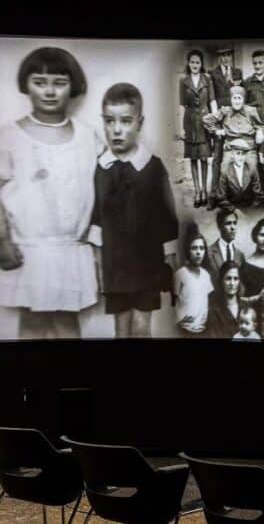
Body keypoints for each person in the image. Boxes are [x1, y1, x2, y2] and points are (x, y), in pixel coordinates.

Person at [0, 47, 102, 339]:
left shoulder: (87, 136)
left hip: (71, 249)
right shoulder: (9, 136)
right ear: (26, 84)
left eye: (59, 83)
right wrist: (2, 239)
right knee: (32, 323)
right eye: (40, 82)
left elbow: (106, 190)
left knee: (67, 323)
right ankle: (25, 385)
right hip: (28, 250)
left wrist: (97, 245)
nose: (49, 91)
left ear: (73, 88)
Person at [91, 83, 178, 339]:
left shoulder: (152, 167)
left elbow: (167, 215)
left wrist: (171, 262)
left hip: (147, 264)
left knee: (141, 327)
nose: (117, 130)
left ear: (139, 123)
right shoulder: (101, 167)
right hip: (115, 265)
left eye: (126, 121)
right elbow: (97, 215)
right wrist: (97, 263)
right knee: (121, 329)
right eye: (110, 121)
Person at [179, 49, 216, 208]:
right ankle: (198, 191)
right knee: (193, 158)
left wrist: (215, 122)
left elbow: (212, 101)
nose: (195, 65)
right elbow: (182, 105)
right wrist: (181, 128)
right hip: (190, 121)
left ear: (201, 64)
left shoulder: (207, 79)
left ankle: (205, 192)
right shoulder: (183, 80)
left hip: (205, 121)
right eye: (192, 62)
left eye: (197, 62)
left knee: (204, 158)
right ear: (189, 63)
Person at [208, 47, 243, 191]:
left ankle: (231, 190)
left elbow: (241, 94)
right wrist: (217, 121)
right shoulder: (213, 73)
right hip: (221, 117)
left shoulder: (237, 72)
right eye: (222, 55)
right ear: (218, 57)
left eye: (228, 55)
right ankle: (214, 192)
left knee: (235, 154)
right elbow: (212, 97)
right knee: (218, 156)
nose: (226, 58)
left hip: (235, 118)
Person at [173, 227, 213, 337]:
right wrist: (180, 319)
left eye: (201, 248)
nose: (198, 252)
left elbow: (207, 302)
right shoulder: (180, 274)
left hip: (203, 330)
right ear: (188, 251)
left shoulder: (206, 275)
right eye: (194, 248)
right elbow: (173, 304)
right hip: (185, 331)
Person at [211, 138, 261, 209]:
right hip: (232, 207)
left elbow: (258, 194)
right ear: (232, 154)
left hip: (249, 207)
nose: (240, 157)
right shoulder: (225, 171)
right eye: (238, 153)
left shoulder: (252, 169)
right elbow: (221, 198)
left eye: (243, 154)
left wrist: (252, 209)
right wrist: (233, 210)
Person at [240, 217, 264, 300]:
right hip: (254, 310)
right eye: (262, 235)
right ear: (256, 236)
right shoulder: (245, 267)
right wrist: (259, 297)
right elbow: (240, 299)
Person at [205, 260, 245, 339]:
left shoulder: (245, 307)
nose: (232, 283)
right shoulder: (213, 311)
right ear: (221, 281)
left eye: (236, 279)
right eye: (228, 279)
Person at [205, 208, 245, 278]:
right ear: (220, 226)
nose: (233, 227)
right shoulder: (208, 253)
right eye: (228, 223)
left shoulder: (240, 255)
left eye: (235, 223)